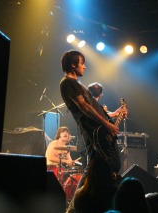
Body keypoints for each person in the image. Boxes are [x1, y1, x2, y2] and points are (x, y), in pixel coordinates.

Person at [59, 50, 123, 210]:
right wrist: (107, 124)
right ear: (73, 65)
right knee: (93, 168)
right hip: (93, 134)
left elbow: (94, 108)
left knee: (104, 167)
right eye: (82, 63)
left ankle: (97, 205)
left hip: (100, 133)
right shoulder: (67, 83)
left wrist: (114, 116)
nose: (85, 67)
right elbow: (84, 107)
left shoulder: (78, 85)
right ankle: (74, 208)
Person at [76, 81, 127, 171]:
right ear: (100, 95)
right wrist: (114, 114)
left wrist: (115, 114)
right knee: (91, 172)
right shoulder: (88, 105)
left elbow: (102, 114)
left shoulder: (90, 105)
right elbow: (94, 115)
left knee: (88, 172)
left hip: (84, 143)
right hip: (91, 143)